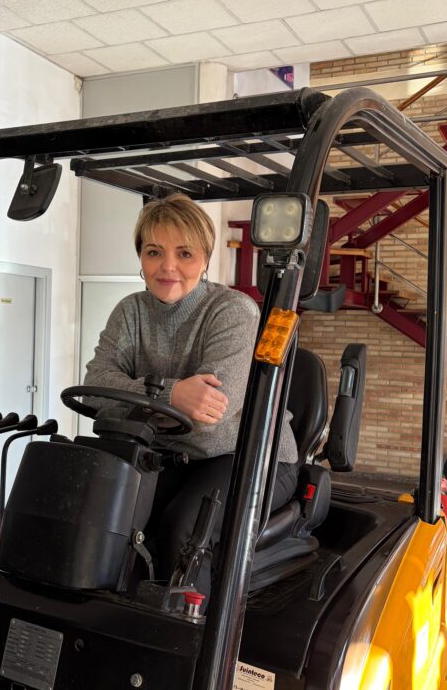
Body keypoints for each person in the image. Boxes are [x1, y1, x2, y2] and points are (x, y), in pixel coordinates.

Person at [83, 193, 298, 595]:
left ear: (205, 259)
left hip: (245, 454)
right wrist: (172, 394)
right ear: (141, 256)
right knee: (101, 513)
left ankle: (190, 628)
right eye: (154, 252)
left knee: (183, 529)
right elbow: (95, 387)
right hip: (168, 452)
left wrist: (138, 401)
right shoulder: (130, 311)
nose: (168, 266)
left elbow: (209, 417)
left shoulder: (233, 311)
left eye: (184, 253)